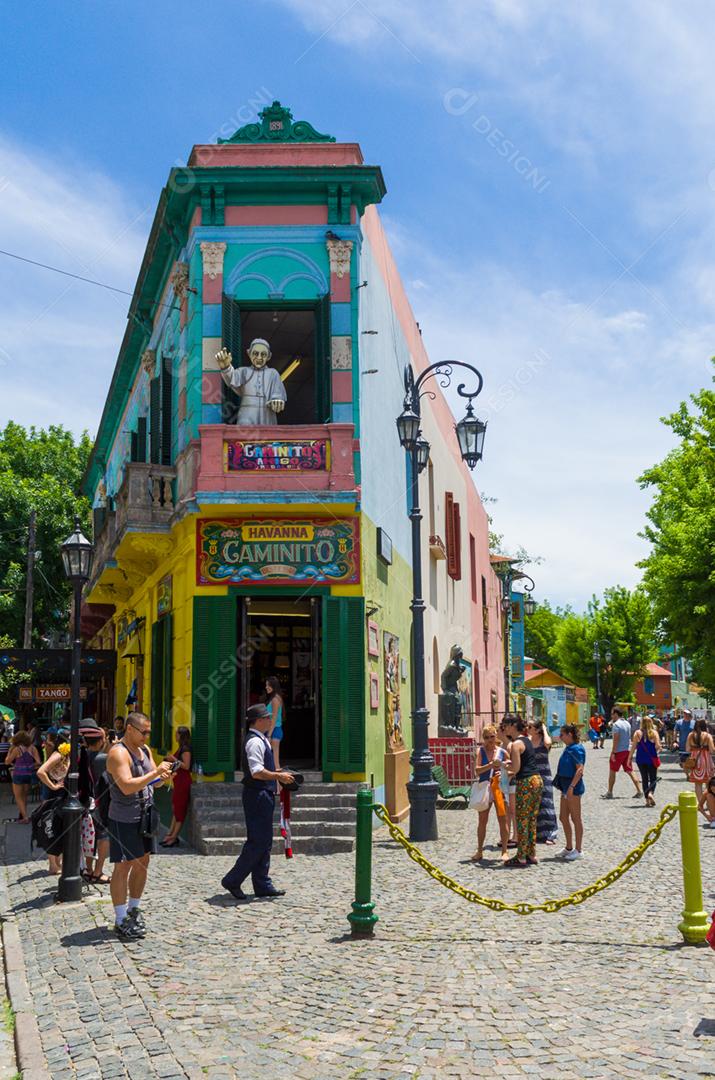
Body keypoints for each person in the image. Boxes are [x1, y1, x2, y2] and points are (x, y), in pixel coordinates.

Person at [106, 712, 172, 941]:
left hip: (146, 814)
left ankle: (134, 908)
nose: (147, 736)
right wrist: (155, 772)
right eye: (143, 732)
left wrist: (163, 775)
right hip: (124, 817)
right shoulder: (118, 753)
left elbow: (154, 780)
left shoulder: (144, 751)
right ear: (130, 729)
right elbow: (125, 786)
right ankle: (120, 917)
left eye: (149, 732)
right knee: (123, 866)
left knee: (143, 861)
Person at [220, 704, 294, 901]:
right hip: (257, 794)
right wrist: (278, 777)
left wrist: (277, 775)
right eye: (268, 717)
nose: (271, 720)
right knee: (258, 841)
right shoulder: (254, 742)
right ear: (259, 720)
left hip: (263, 793)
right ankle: (233, 879)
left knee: (265, 841)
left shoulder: (261, 740)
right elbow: (257, 771)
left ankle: (262, 883)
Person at [503, 714, 543, 867]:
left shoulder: (515, 744)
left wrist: (503, 765)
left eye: (506, 724)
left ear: (513, 725)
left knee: (522, 819)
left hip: (525, 782)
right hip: (537, 780)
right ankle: (531, 854)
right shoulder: (527, 740)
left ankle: (521, 857)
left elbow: (516, 768)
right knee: (532, 819)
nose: (505, 727)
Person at [469, 725, 509, 861]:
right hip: (485, 788)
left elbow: (512, 768)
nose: (490, 740)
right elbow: (477, 770)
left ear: (496, 736)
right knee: (482, 820)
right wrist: (491, 765)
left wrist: (503, 770)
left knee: (502, 819)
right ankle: (479, 850)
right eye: (486, 737)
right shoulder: (480, 751)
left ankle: (504, 851)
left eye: (492, 736)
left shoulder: (502, 752)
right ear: (483, 739)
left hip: (499, 788)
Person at [36, 733, 72, 874]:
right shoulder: (58, 754)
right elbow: (41, 772)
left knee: (61, 829)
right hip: (55, 795)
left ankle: (58, 863)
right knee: (52, 828)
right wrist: (53, 785)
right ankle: (53, 865)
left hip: (63, 794)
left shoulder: (65, 755)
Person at [82, 725, 111, 884]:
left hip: (85, 801)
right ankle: (98, 871)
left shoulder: (82, 755)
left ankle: (88, 869)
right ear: (101, 740)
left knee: (88, 836)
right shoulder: (102, 759)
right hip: (100, 802)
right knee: (103, 837)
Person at [554, 724, 586, 860]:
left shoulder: (577, 749)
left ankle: (578, 850)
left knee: (575, 818)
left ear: (570, 735)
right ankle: (568, 847)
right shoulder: (568, 748)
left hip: (573, 787)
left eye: (562, 734)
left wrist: (572, 787)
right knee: (563, 817)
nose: (560, 737)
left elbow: (580, 769)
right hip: (565, 786)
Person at [161, 726, 193, 847]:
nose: (175, 736)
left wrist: (173, 759)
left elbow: (186, 766)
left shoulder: (185, 749)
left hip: (183, 782)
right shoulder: (181, 748)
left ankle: (173, 838)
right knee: (176, 809)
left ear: (181, 735)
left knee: (180, 810)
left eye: (177, 734)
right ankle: (170, 834)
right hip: (178, 782)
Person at [528, 720, 558, 844]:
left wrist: (545, 729)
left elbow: (548, 743)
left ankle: (551, 834)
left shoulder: (543, 740)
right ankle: (538, 833)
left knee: (547, 803)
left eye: (530, 726)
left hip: (544, 775)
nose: (527, 728)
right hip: (532, 775)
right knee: (535, 804)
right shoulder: (528, 740)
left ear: (537, 729)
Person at [602, 707, 642, 799]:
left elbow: (616, 739)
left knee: (612, 771)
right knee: (630, 770)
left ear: (616, 714)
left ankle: (610, 792)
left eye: (612, 714)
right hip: (627, 750)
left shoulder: (616, 725)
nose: (611, 716)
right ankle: (639, 791)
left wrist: (613, 752)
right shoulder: (627, 723)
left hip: (619, 751)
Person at [5, 732, 41, 823]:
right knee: (24, 796)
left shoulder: (16, 749)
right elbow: (38, 762)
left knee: (18, 797)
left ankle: (25, 817)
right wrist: (30, 766)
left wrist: (9, 751)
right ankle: (23, 815)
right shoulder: (33, 748)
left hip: (18, 774)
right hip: (28, 774)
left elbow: (7, 762)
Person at [628, 715, 662, 807]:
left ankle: (647, 800)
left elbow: (633, 747)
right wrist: (658, 750)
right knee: (653, 778)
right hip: (651, 759)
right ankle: (651, 793)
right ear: (651, 723)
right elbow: (658, 746)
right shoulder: (654, 733)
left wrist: (629, 758)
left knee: (644, 779)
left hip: (640, 759)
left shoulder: (637, 733)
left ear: (641, 723)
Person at [684, 718, 715, 802]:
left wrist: (695, 749)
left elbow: (687, 749)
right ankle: (709, 802)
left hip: (695, 760)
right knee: (708, 782)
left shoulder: (690, 735)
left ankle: (700, 803)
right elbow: (712, 751)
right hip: (706, 760)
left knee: (698, 784)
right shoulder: (707, 735)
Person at [498, 720, 517, 846]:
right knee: (507, 810)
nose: (496, 732)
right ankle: (507, 834)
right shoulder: (502, 745)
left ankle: (516, 836)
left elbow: (514, 766)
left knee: (513, 810)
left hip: (511, 780)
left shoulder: (510, 746)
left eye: (498, 730)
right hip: (504, 781)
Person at [265, 677, 286, 771]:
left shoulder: (275, 700)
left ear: (273, 686)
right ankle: (277, 784)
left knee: (275, 762)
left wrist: (269, 735)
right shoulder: (276, 698)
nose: (266, 687)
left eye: (268, 685)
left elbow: (274, 718)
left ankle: (278, 785)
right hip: (275, 730)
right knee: (272, 759)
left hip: (274, 731)